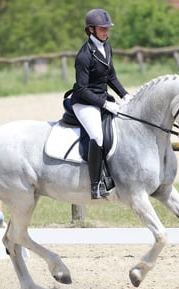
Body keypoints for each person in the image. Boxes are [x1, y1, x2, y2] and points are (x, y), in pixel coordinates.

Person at [70, 8, 132, 199]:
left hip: (101, 99)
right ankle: (95, 185)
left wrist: (125, 95)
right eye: (102, 28)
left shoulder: (106, 47)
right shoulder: (84, 55)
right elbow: (81, 89)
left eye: (107, 28)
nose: (106, 31)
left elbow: (111, 76)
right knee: (97, 136)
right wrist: (104, 104)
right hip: (84, 102)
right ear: (91, 29)